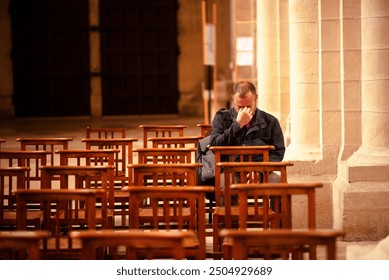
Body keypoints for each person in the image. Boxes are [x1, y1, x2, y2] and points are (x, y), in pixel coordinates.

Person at [210, 81, 286, 203]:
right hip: (231, 171)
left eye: (248, 106)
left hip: (262, 170)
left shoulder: (270, 121)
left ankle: (277, 220)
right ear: (233, 100)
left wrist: (260, 171)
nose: (244, 110)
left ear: (256, 99)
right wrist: (238, 125)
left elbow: (278, 152)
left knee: (281, 186)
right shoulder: (222, 118)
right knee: (227, 189)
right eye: (239, 107)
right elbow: (214, 145)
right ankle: (232, 222)